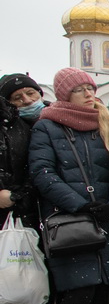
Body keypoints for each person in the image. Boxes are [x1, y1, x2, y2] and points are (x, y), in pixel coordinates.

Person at [28, 68, 109, 304]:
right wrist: (80, 205)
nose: (88, 94)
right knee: (79, 292)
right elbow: (43, 173)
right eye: (79, 90)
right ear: (64, 95)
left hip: (108, 220)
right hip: (71, 224)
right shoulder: (47, 125)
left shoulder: (104, 122)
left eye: (90, 88)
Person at [0, 73, 44, 228]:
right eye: (17, 97)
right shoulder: (8, 131)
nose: (27, 100)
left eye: (31, 93)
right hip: (18, 210)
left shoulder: (57, 120)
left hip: (52, 208)